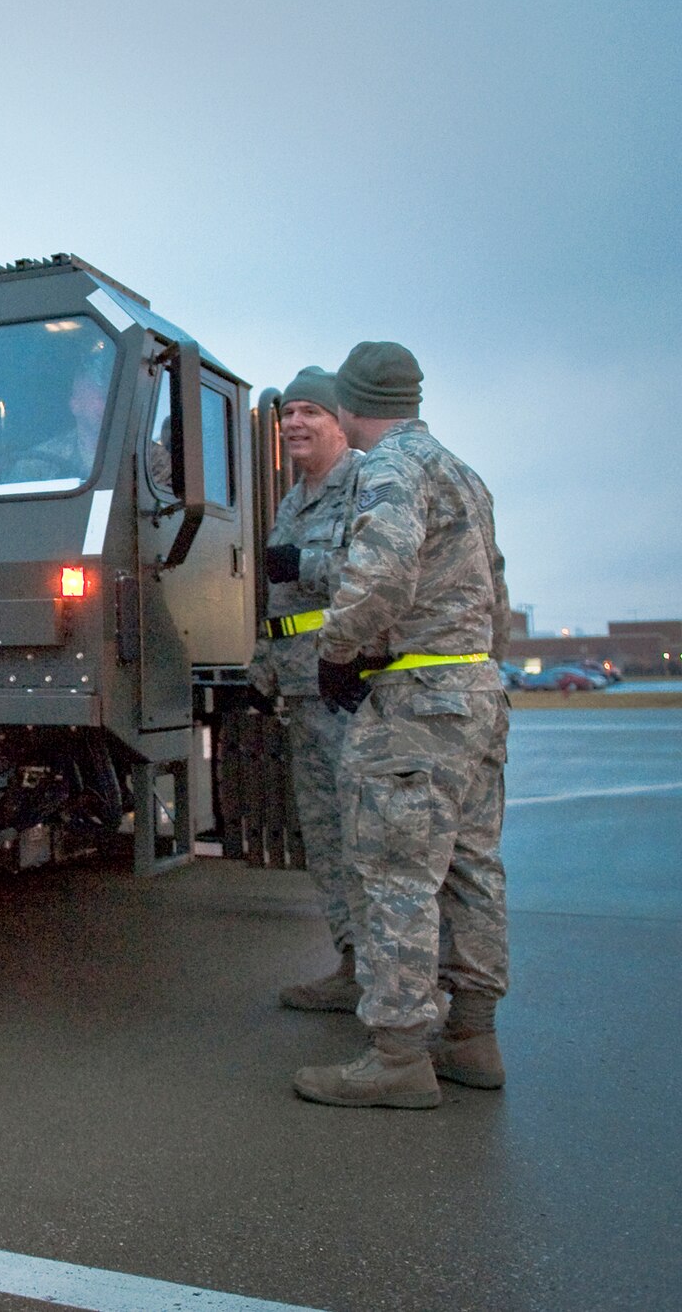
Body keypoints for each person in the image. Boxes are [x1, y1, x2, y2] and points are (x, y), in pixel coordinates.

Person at [292, 341, 511, 1110]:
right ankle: (473, 1035)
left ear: (351, 405)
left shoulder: (389, 470)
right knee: (471, 867)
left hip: (413, 696)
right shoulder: (463, 473)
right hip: (476, 689)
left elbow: (380, 572)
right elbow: (499, 587)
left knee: (393, 873)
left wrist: (338, 650)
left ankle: (396, 1053)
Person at [248, 368, 365, 1012]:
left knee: (368, 838)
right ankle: (351, 964)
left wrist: (309, 564)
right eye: (287, 413)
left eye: (309, 413)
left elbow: (387, 572)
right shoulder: (292, 501)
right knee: (324, 840)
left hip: (350, 691)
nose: (293, 423)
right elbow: (281, 603)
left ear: (340, 421)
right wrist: (261, 672)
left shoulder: (367, 486)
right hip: (300, 693)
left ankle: (398, 980)